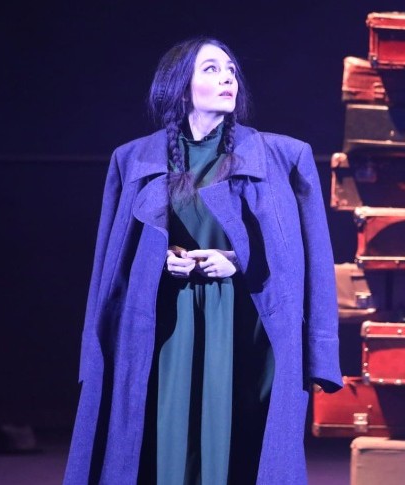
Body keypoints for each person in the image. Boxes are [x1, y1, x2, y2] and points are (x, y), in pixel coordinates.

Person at [63, 36, 342, 485]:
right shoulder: (132, 159)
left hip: (244, 324)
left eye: (231, 70)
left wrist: (238, 260)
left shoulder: (284, 156)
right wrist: (159, 260)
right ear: (180, 85)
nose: (228, 78)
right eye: (211, 69)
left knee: (240, 440)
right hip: (168, 323)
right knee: (160, 436)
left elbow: (309, 260)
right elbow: (109, 268)